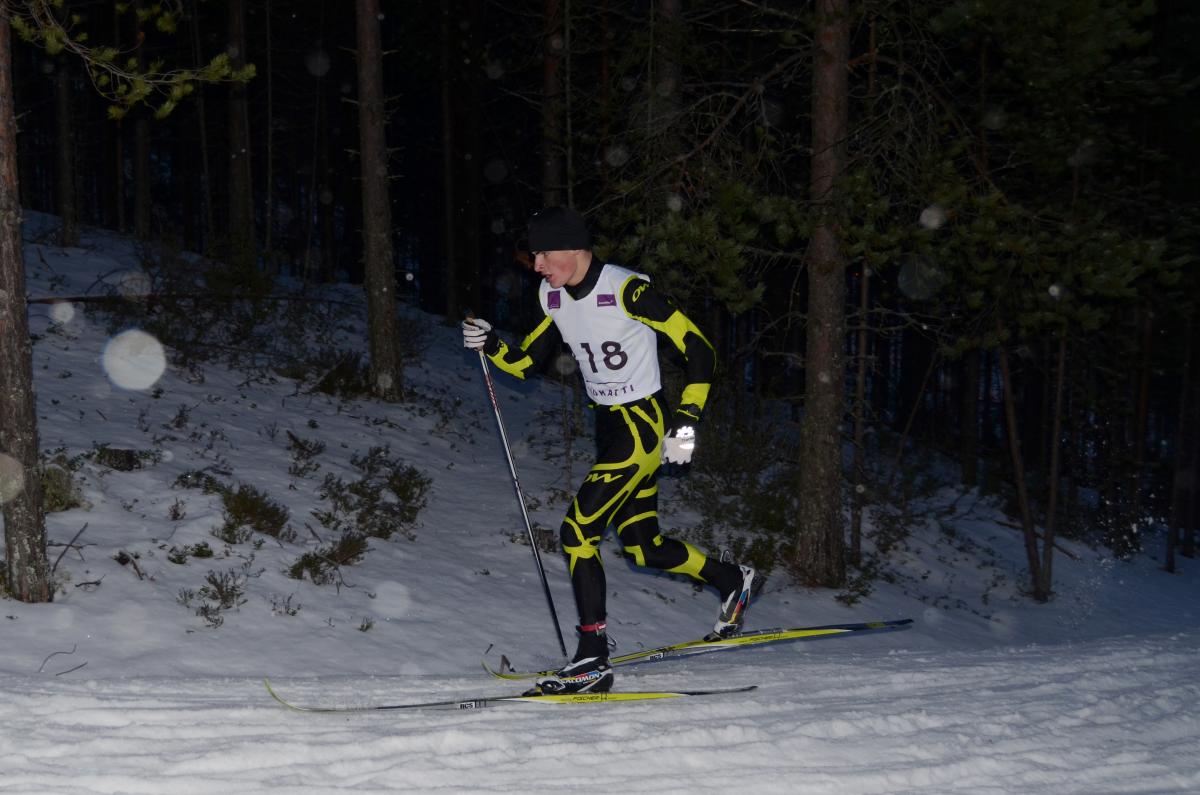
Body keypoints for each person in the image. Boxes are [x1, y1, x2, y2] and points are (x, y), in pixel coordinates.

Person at [462, 206, 760, 694]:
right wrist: (490, 343)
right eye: (534, 255)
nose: (537, 264)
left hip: (643, 426)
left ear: (575, 249)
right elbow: (522, 365)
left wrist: (686, 422)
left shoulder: (628, 290)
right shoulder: (551, 295)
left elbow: (700, 347)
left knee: (578, 534)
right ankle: (732, 579)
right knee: (644, 547)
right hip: (607, 425)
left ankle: (592, 659)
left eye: (544, 253)